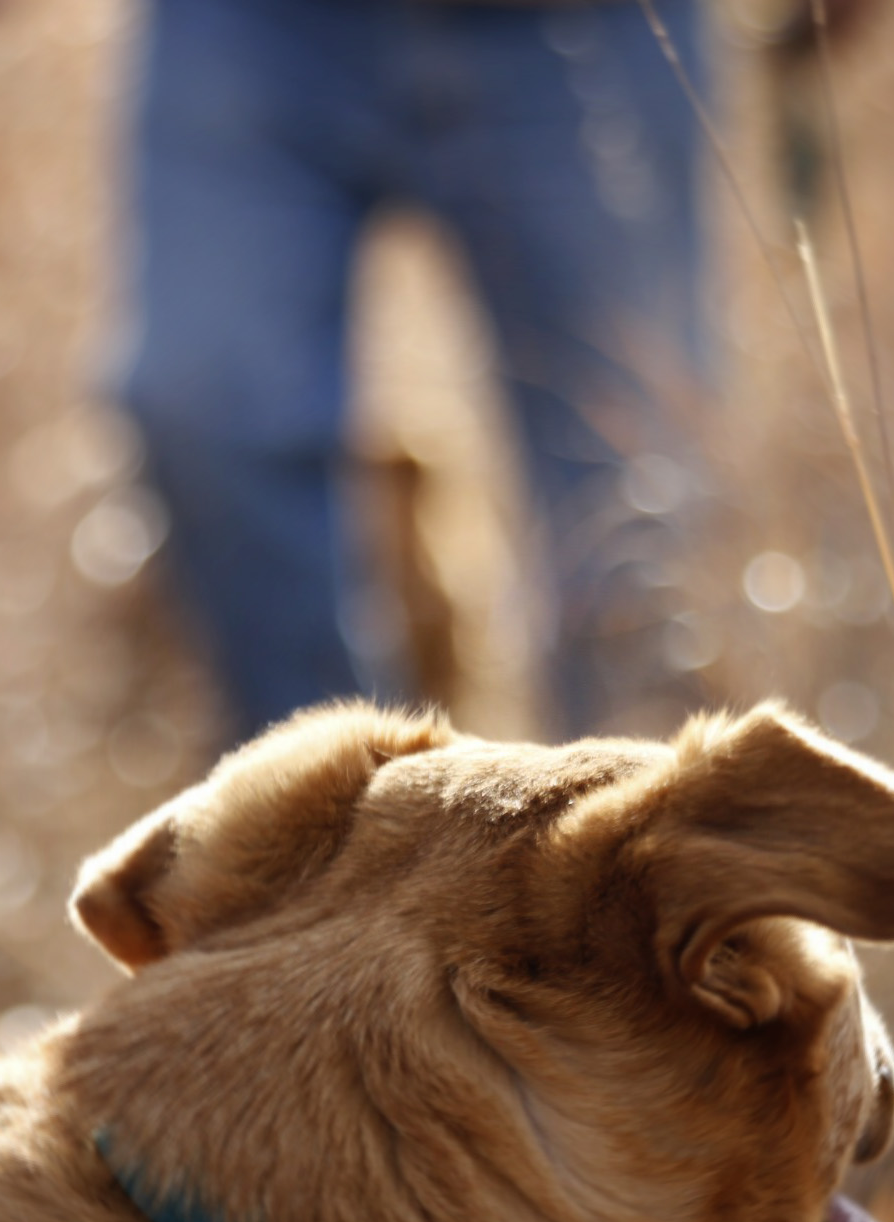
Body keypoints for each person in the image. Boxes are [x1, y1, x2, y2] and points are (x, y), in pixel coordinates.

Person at [111, 0, 712, 739]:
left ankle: (617, 797)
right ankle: (327, 790)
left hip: (588, 28)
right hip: (250, 27)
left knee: (632, 498)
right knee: (203, 404)